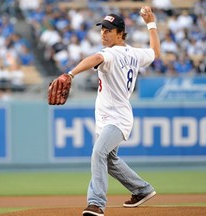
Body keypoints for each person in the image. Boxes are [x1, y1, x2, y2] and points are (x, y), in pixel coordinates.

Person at [65, 6, 160, 216]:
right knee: (109, 159)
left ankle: (96, 203)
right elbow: (155, 52)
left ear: (120, 33)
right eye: (102, 29)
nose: (104, 33)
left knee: (98, 152)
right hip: (111, 116)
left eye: (109, 30)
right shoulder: (135, 53)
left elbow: (95, 59)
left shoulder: (110, 53)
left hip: (117, 119)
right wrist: (151, 24)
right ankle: (142, 189)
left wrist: (70, 74)